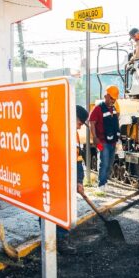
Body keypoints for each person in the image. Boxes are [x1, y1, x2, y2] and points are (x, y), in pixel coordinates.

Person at [55, 105, 91, 255]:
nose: (80, 126)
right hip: (54, 177)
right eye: (80, 123)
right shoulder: (57, 129)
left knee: (64, 209)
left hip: (66, 178)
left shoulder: (74, 134)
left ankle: (61, 239)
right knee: (51, 211)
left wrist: (79, 181)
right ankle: (52, 239)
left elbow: (77, 159)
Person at [88, 85, 120, 196]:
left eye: (114, 99)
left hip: (112, 142)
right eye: (111, 98)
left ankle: (105, 183)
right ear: (106, 96)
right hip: (102, 142)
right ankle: (101, 185)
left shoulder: (113, 108)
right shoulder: (98, 108)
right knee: (104, 162)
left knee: (110, 163)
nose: (113, 101)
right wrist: (95, 138)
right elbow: (91, 122)